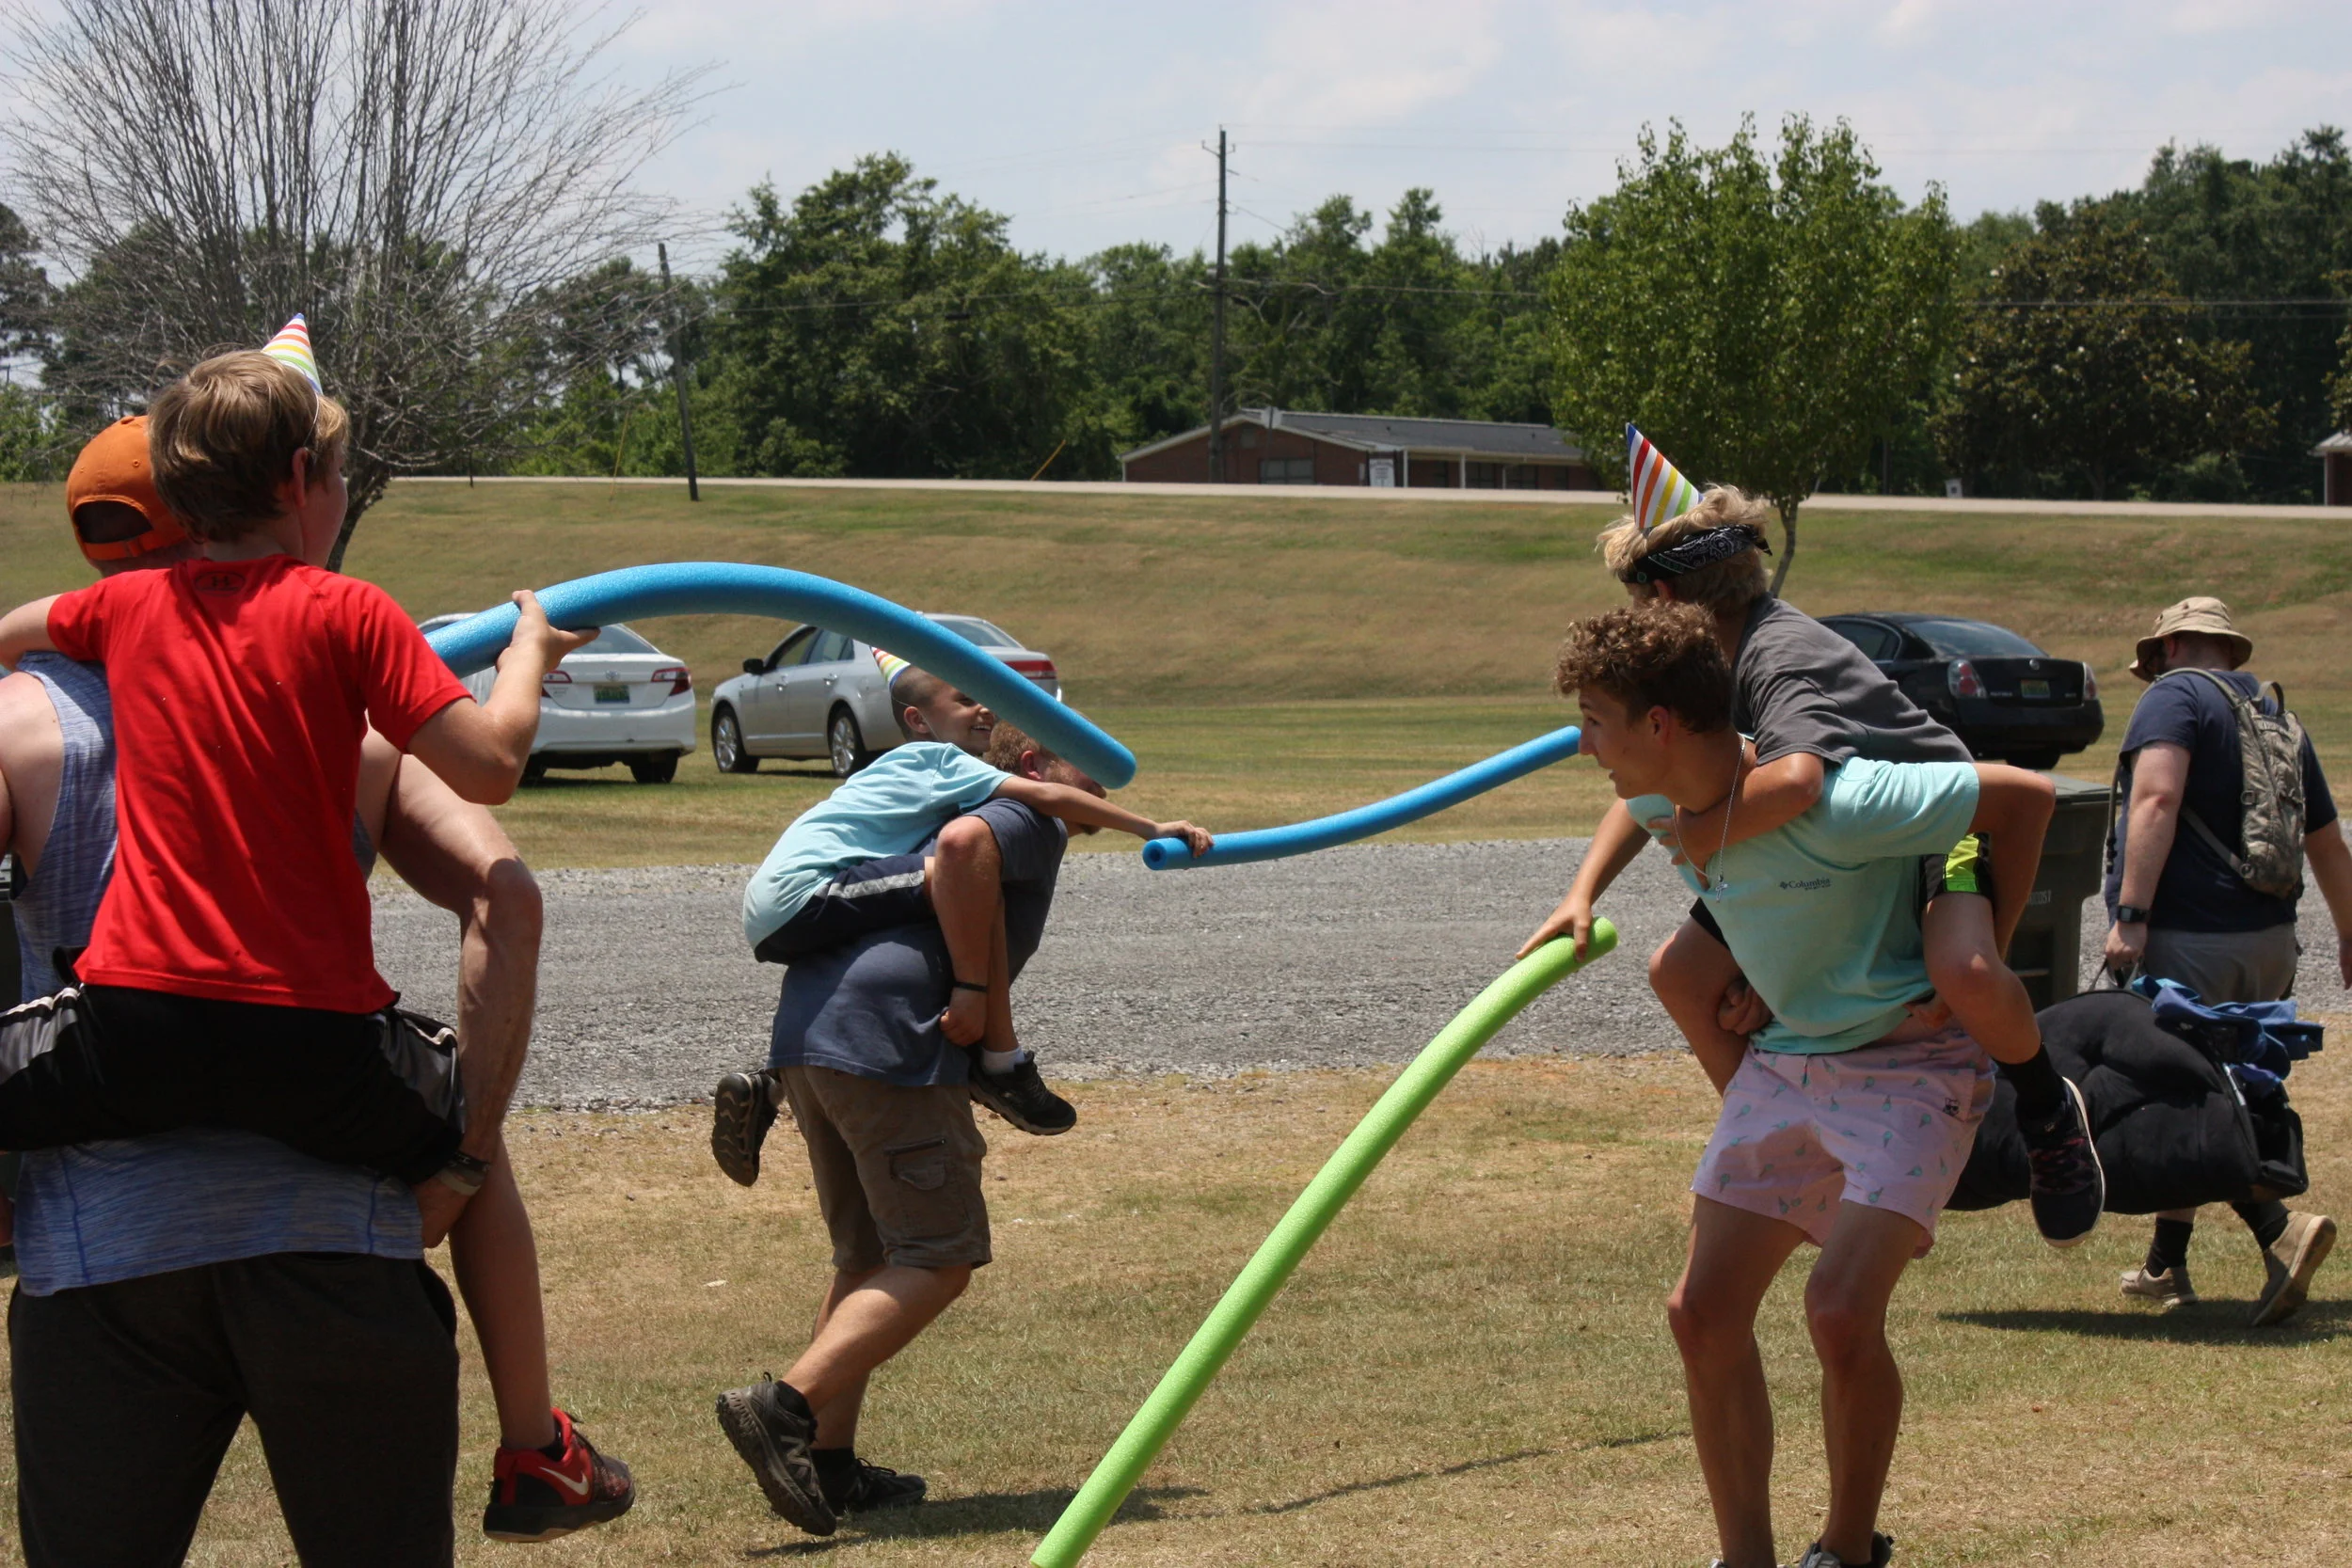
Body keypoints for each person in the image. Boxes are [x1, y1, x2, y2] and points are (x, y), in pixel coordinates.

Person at [0, 416, 624, 1562]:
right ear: (287, 490)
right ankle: (536, 1439)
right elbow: (506, 900)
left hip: (100, 1261)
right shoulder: (346, 686)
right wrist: (460, 1160)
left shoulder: (25, 713)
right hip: (337, 1232)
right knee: (446, 1095)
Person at [0, 336, 590, 1223]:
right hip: (311, 1041)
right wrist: (526, 652)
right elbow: (494, 765)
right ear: (301, 475)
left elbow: (19, 625)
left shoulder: (125, 607)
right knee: (469, 1136)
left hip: (135, 1027)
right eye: (342, 473)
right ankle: (445, 1206)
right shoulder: (351, 611)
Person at [1554, 603, 2057, 1568]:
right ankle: (1744, 1557)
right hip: (1789, 1065)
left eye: (1595, 719)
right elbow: (1633, 806)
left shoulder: (1839, 800)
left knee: (1836, 1309)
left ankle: (1845, 1550)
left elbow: (2027, 798)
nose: (1583, 745)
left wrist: (1979, 946)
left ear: (1660, 724)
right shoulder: (1668, 793)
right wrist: (1579, 895)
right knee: (1697, 1312)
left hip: (1910, 1067)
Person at [1522, 476, 2104, 1246]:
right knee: (1681, 975)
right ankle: (1795, 1142)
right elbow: (1649, 785)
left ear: (1662, 594)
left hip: (1931, 826)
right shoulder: (1705, 663)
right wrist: (1582, 890)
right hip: (1810, 839)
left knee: (1962, 971)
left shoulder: (1775, 653)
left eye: (1634, 602)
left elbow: (1797, 781)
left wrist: (1703, 839)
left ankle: (2044, 1104)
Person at [711, 721, 1090, 1537]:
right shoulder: (1021, 814)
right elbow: (962, 849)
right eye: (1086, 756)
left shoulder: (934, 802)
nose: (1107, 776)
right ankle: (783, 1410)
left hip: (810, 1042)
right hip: (888, 1045)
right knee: (940, 1256)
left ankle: (833, 1465)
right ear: (1035, 764)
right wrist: (979, 1013)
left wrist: (999, 1050)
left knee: (869, 1257)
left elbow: (968, 901)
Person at [734, 648, 1209, 1140]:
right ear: (918, 720)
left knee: (866, 954)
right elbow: (1047, 796)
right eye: (965, 700)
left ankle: (767, 1086)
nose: (986, 709)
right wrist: (1148, 826)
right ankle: (1002, 1064)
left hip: (780, 915)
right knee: (967, 879)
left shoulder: (904, 772)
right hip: (802, 895)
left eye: (986, 699)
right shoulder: (937, 758)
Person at [2102, 595, 2346, 1324]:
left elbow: (2155, 799)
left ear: (2172, 645)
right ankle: (2165, 1264)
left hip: (2190, 939)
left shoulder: (2173, 699)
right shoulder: (2274, 715)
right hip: (2268, 941)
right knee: (2227, 1088)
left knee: (2190, 1101)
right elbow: (2327, 841)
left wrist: (2131, 914)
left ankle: (2282, 1230)